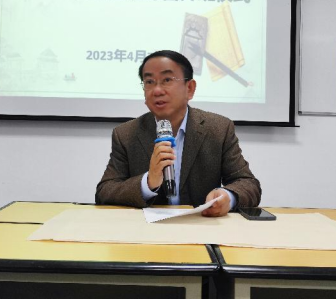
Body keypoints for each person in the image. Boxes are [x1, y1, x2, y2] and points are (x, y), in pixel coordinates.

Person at [95, 50, 261, 217]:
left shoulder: (218, 129)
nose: (157, 90)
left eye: (167, 80)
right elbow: (105, 191)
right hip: (146, 228)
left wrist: (227, 197)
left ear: (190, 88)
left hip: (201, 224)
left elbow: (248, 184)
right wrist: (148, 181)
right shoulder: (126, 134)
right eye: (149, 82)